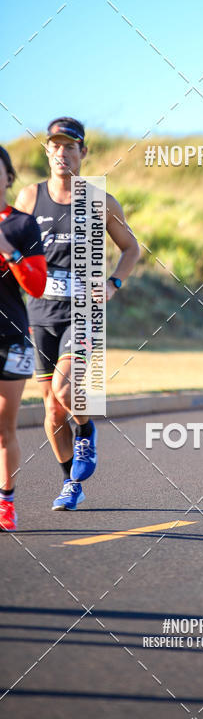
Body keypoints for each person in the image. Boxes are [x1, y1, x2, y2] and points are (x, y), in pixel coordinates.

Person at [15, 118, 140, 510]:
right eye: (55, 146)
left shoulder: (100, 200)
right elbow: (11, 251)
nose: (62, 153)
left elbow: (131, 248)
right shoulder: (29, 197)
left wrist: (114, 283)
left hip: (84, 310)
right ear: (47, 151)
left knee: (66, 391)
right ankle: (71, 482)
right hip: (39, 312)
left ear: (83, 153)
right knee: (51, 409)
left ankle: (86, 429)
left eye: (71, 146)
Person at [0, 146, 47, 531]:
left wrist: (7, 249)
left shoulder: (21, 225)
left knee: (4, 428)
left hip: (10, 336)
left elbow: (36, 285)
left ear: (8, 177)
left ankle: (7, 502)